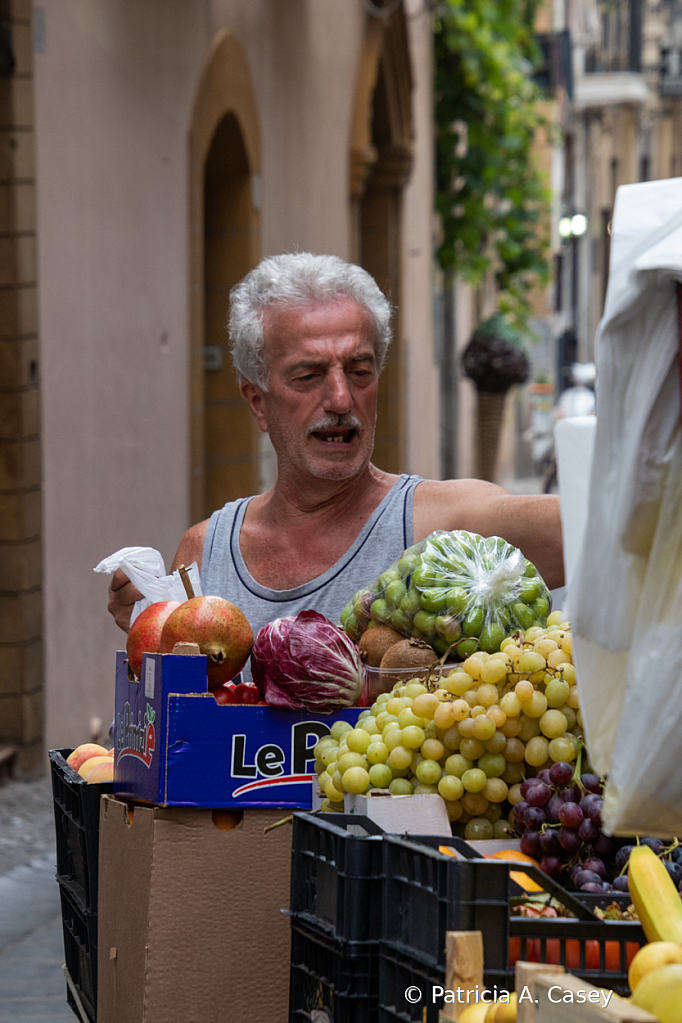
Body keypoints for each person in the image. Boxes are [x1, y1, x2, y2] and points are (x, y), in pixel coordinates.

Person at [108, 253, 564, 652]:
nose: (342, 399)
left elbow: (598, 530)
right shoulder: (206, 556)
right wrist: (150, 625)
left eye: (360, 371)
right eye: (308, 376)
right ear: (258, 402)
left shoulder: (442, 526)